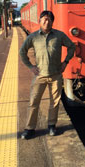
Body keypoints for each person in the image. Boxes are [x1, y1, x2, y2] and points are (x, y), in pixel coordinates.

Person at [19, 10, 75, 139]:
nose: (47, 21)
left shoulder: (59, 36)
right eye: (44, 19)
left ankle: (51, 125)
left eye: (49, 19)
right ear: (39, 21)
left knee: (54, 102)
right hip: (39, 75)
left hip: (56, 75)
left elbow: (71, 47)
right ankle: (29, 128)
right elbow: (22, 52)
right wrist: (31, 67)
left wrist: (65, 62)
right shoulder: (33, 37)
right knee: (33, 102)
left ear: (52, 22)